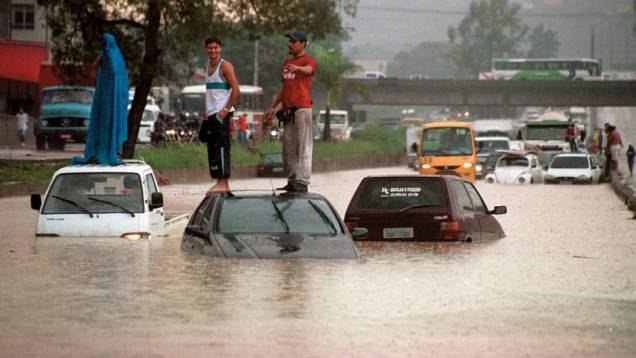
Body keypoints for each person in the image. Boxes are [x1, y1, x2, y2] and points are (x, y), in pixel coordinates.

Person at [264, 31, 317, 193]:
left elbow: (309, 70)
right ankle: (292, 179)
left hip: (302, 109)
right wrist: (273, 107)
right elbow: (284, 87)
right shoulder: (287, 62)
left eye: (294, 42)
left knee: (303, 147)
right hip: (288, 111)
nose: (290, 44)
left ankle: (302, 181)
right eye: (290, 41)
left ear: (303, 44)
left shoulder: (308, 60)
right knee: (288, 148)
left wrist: (298, 68)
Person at [197, 36, 240, 195]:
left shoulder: (226, 66)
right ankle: (219, 181)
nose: (213, 51)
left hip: (222, 113)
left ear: (220, 48)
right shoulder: (207, 65)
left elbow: (236, 89)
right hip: (212, 114)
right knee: (213, 147)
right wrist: (207, 111)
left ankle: (224, 182)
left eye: (216, 48)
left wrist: (226, 110)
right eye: (210, 48)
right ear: (206, 49)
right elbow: (211, 92)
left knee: (222, 146)